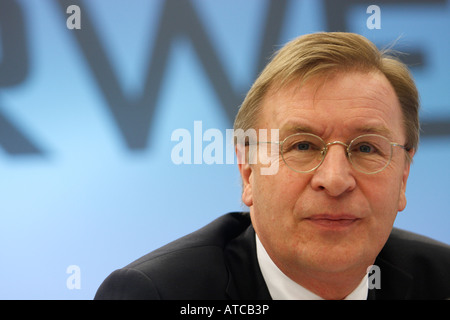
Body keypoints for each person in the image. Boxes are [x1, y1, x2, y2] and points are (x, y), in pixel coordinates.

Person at [94, 32, 450, 300]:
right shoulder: (158, 293)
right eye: (303, 146)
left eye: (367, 148)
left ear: (403, 174)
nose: (336, 180)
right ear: (248, 171)